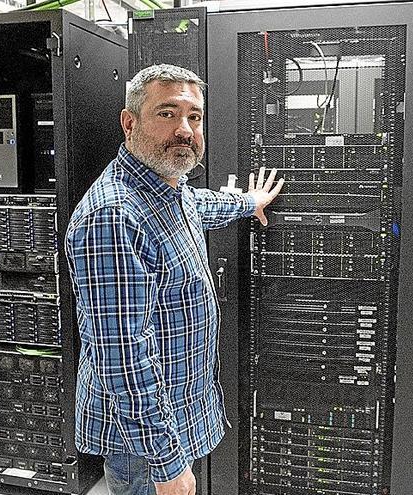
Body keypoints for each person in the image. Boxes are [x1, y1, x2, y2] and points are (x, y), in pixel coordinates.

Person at [64, 64, 283, 495]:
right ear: (130, 122)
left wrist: (246, 201)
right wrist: (166, 462)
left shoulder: (165, 187)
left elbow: (196, 206)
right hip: (143, 442)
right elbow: (123, 358)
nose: (184, 129)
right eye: (167, 113)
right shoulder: (113, 216)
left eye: (194, 117)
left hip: (175, 415)